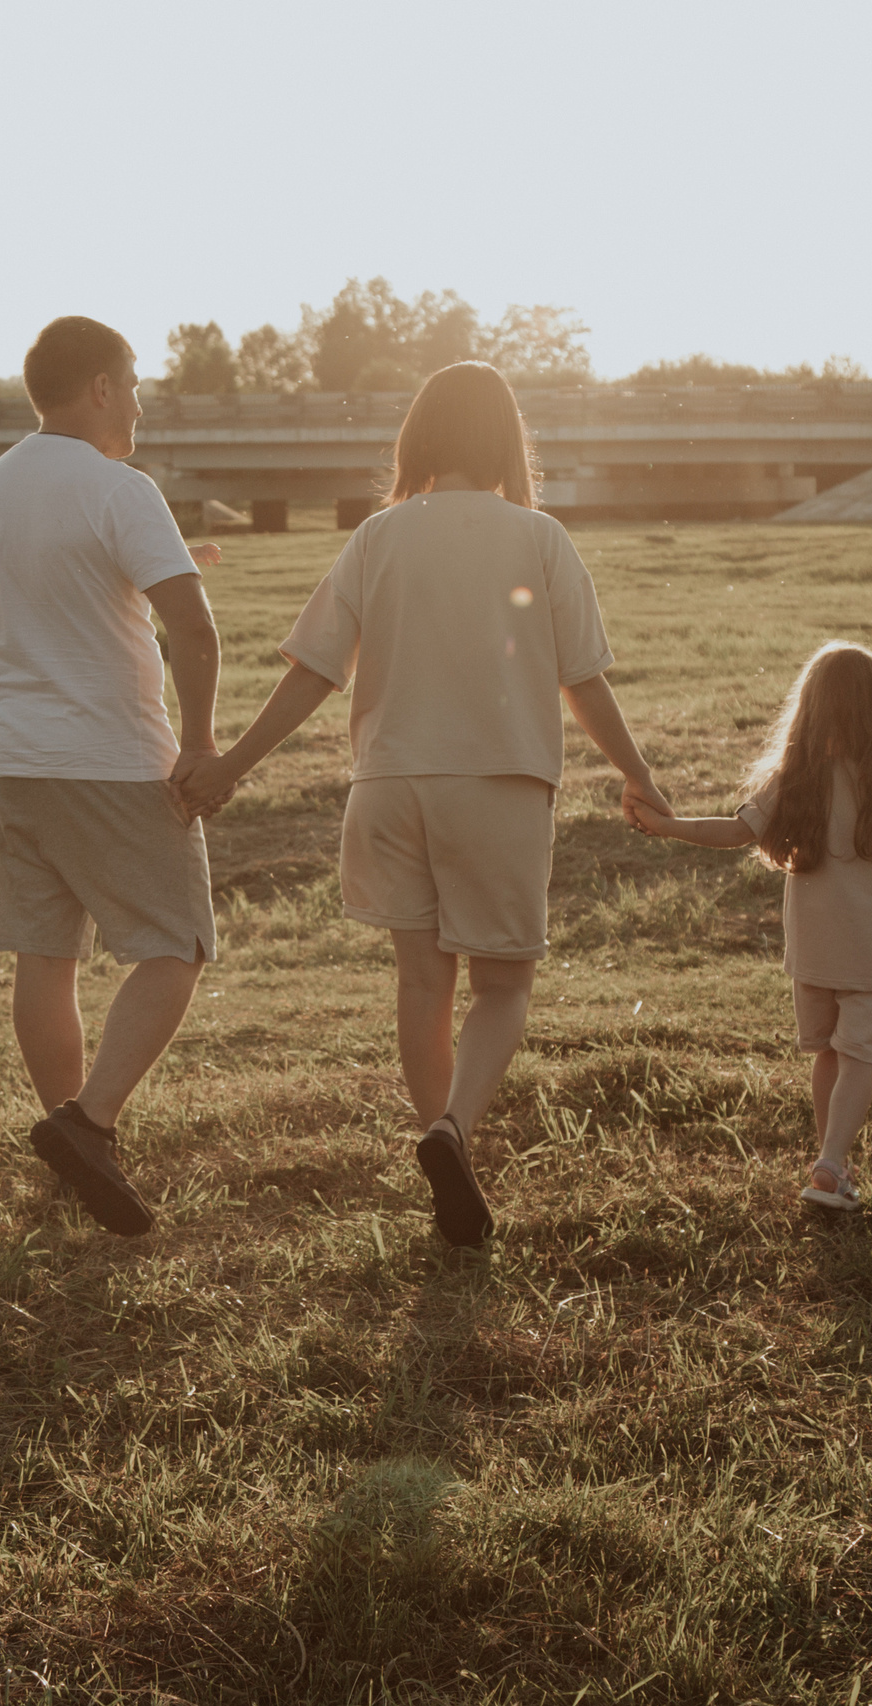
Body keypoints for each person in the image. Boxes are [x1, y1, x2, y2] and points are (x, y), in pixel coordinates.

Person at [172, 361, 671, 1247]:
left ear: (421, 438)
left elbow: (314, 672)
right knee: (505, 984)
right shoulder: (540, 537)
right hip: (498, 783)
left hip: (390, 786)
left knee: (421, 979)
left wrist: (232, 765)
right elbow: (581, 680)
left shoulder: (380, 534)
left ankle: (444, 1148)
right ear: (507, 440)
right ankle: (452, 1132)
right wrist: (638, 773)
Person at [0, 315, 223, 1237]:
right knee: (176, 942)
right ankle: (90, 1122)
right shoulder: (121, 488)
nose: (143, 403)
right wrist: (199, 741)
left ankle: (77, 1147)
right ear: (102, 387)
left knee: (47, 955)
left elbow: (51, 595)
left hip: (12, 761)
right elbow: (193, 628)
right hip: (108, 760)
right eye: (136, 382)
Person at [626, 641, 872, 1211]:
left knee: (826, 1053)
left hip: (814, 953)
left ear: (810, 711)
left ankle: (830, 1159)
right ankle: (831, 1162)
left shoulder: (796, 785)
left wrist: (668, 827)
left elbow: (733, 832)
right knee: (861, 1055)